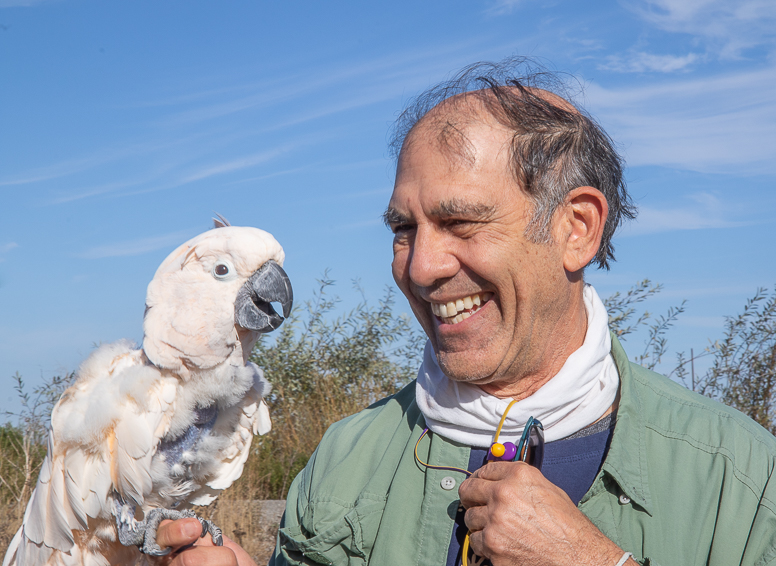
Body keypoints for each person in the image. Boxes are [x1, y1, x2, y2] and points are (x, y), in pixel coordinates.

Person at [159, 59, 776, 566]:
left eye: (460, 222)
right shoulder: (346, 459)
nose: (421, 266)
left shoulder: (741, 479)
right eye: (404, 228)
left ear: (577, 229)